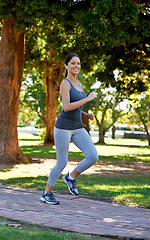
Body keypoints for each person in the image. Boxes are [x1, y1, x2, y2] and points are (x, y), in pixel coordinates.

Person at [40, 53, 99, 205]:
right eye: (73, 63)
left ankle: (70, 177)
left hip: (78, 127)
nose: (76, 66)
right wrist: (87, 99)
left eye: (78, 63)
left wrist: (86, 113)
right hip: (64, 128)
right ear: (66, 65)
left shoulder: (78, 84)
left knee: (92, 156)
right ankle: (46, 193)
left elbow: (76, 106)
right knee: (61, 162)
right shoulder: (65, 84)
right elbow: (66, 107)